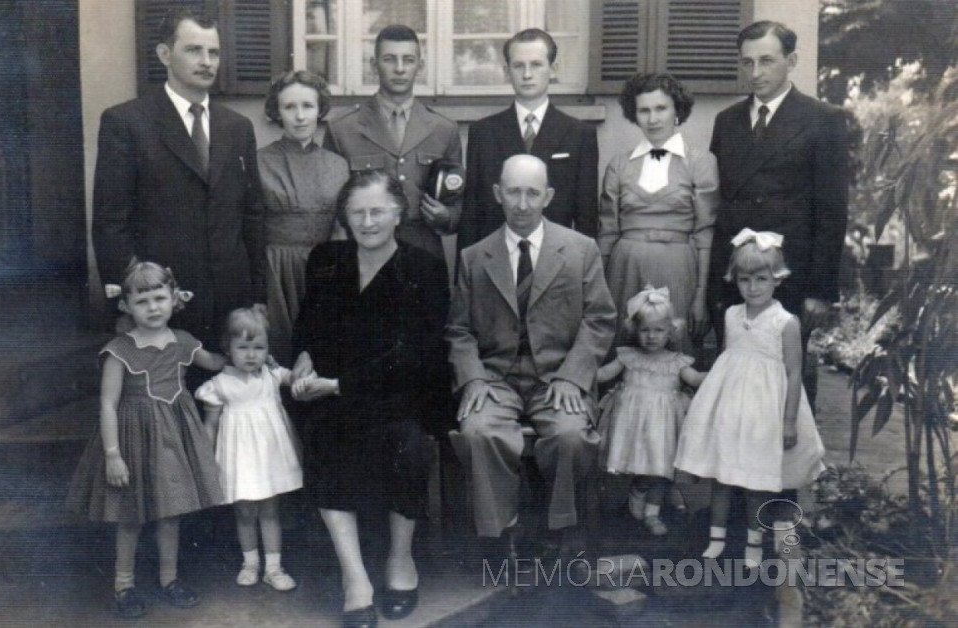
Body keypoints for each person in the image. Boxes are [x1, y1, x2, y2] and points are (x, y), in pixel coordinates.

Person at [290, 171, 450, 627]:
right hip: (333, 393)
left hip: (402, 391)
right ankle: (354, 575)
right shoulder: (326, 259)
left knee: (408, 441)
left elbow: (413, 355)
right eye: (357, 212)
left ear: (399, 213)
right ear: (345, 217)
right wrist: (303, 357)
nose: (367, 221)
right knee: (323, 431)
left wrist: (338, 385)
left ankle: (400, 559)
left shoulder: (423, 268)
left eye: (377, 210)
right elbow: (308, 325)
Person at [447, 154, 616, 561]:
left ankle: (559, 528)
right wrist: (472, 379)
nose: (522, 204)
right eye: (513, 192)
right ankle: (500, 530)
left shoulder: (580, 250)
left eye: (532, 193)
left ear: (548, 196)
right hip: (495, 377)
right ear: (497, 194)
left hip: (557, 377)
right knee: (478, 432)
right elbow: (459, 329)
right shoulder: (475, 256)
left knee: (571, 435)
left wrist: (574, 377)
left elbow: (599, 319)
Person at [92, 7, 265, 351]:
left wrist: (257, 296)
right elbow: (111, 222)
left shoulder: (238, 128)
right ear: (164, 54)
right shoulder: (127, 123)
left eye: (213, 52)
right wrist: (131, 301)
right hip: (162, 305)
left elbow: (252, 216)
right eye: (194, 50)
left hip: (230, 302)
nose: (207, 61)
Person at [66, 262, 226, 619]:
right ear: (126, 306)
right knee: (131, 516)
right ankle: (124, 585)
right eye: (143, 301)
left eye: (160, 298)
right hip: (134, 437)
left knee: (171, 513)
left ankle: (169, 579)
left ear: (174, 300)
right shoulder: (120, 349)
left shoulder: (183, 341)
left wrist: (248, 351)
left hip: (175, 438)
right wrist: (112, 454)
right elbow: (108, 403)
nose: (153, 308)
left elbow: (215, 362)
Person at [708, 20, 850, 401]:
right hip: (736, 274)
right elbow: (725, 203)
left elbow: (832, 210)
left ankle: (791, 457)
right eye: (747, 63)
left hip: (791, 274)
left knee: (789, 379)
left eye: (766, 61)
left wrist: (821, 289)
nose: (756, 73)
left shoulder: (824, 120)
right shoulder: (727, 122)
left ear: (792, 60)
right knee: (737, 377)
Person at [675, 230, 825, 569]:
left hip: (765, 412)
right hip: (732, 407)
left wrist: (788, 421)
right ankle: (717, 538)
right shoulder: (731, 315)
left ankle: (754, 542)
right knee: (723, 476)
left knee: (756, 481)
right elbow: (729, 360)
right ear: (735, 281)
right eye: (745, 280)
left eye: (761, 279)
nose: (753, 287)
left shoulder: (786, 322)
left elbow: (793, 373)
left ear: (777, 280)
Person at [597, 73, 719, 353]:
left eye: (661, 108)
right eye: (644, 110)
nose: (653, 119)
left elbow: (705, 233)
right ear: (634, 115)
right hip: (624, 270)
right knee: (622, 353)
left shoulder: (700, 162)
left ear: (677, 110)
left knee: (674, 353)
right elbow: (607, 233)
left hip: (678, 269)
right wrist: (599, 293)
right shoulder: (619, 165)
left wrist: (701, 296)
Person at [195, 306, 310, 592]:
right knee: (245, 512)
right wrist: (207, 459)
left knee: (270, 511)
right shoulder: (219, 385)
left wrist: (304, 371)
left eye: (258, 347)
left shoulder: (271, 375)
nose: (251, 354)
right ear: (227, 348)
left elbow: (297, 377)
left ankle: (273, 568)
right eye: (243, 347)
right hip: (239, 458)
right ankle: (250, 564)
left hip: (270, 456)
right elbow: (210, 425)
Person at [323, 24, 462, 261]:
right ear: (373, 65)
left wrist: (446, 217)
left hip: (423, 249)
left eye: (408, 60)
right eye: (389, 59)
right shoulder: (343, 129)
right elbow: (331, 204)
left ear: (420, 65)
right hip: (362, 250)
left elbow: (457, 201)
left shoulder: (443, 129)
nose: (399, 69)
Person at [457, 28, 599, 252]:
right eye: (518, 66)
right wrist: (465, 280)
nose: (527, 74)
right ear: (506, 71)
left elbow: (586, 216)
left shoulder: (579, 134)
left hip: (557, 257)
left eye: (536, 64)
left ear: (553, 69)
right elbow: (471, 214)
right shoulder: (483, 133)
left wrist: (582, 274)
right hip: (498, 258)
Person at [596, 286, 705, 536]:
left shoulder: (676, 361)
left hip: (664, 426)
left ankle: (652, 513)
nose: (652, 336)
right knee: (642, 467)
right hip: (633, 425)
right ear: (635, 331)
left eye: (658, 330)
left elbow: (696, 378)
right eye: (645, 330)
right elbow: (602, 375)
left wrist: (722, 372)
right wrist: (577, 371)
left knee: (663, 469)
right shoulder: (628, 357)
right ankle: (638, 492)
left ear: (670, 331)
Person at [258, 71, 349, 363]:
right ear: (277, 111)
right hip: (276, 273)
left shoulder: (338, 165)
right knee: (280, 353)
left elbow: (341, 227)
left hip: (324, 271)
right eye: (289, 107)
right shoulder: (260, 161)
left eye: (307, 106)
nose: (299, 116)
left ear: (319, 109)